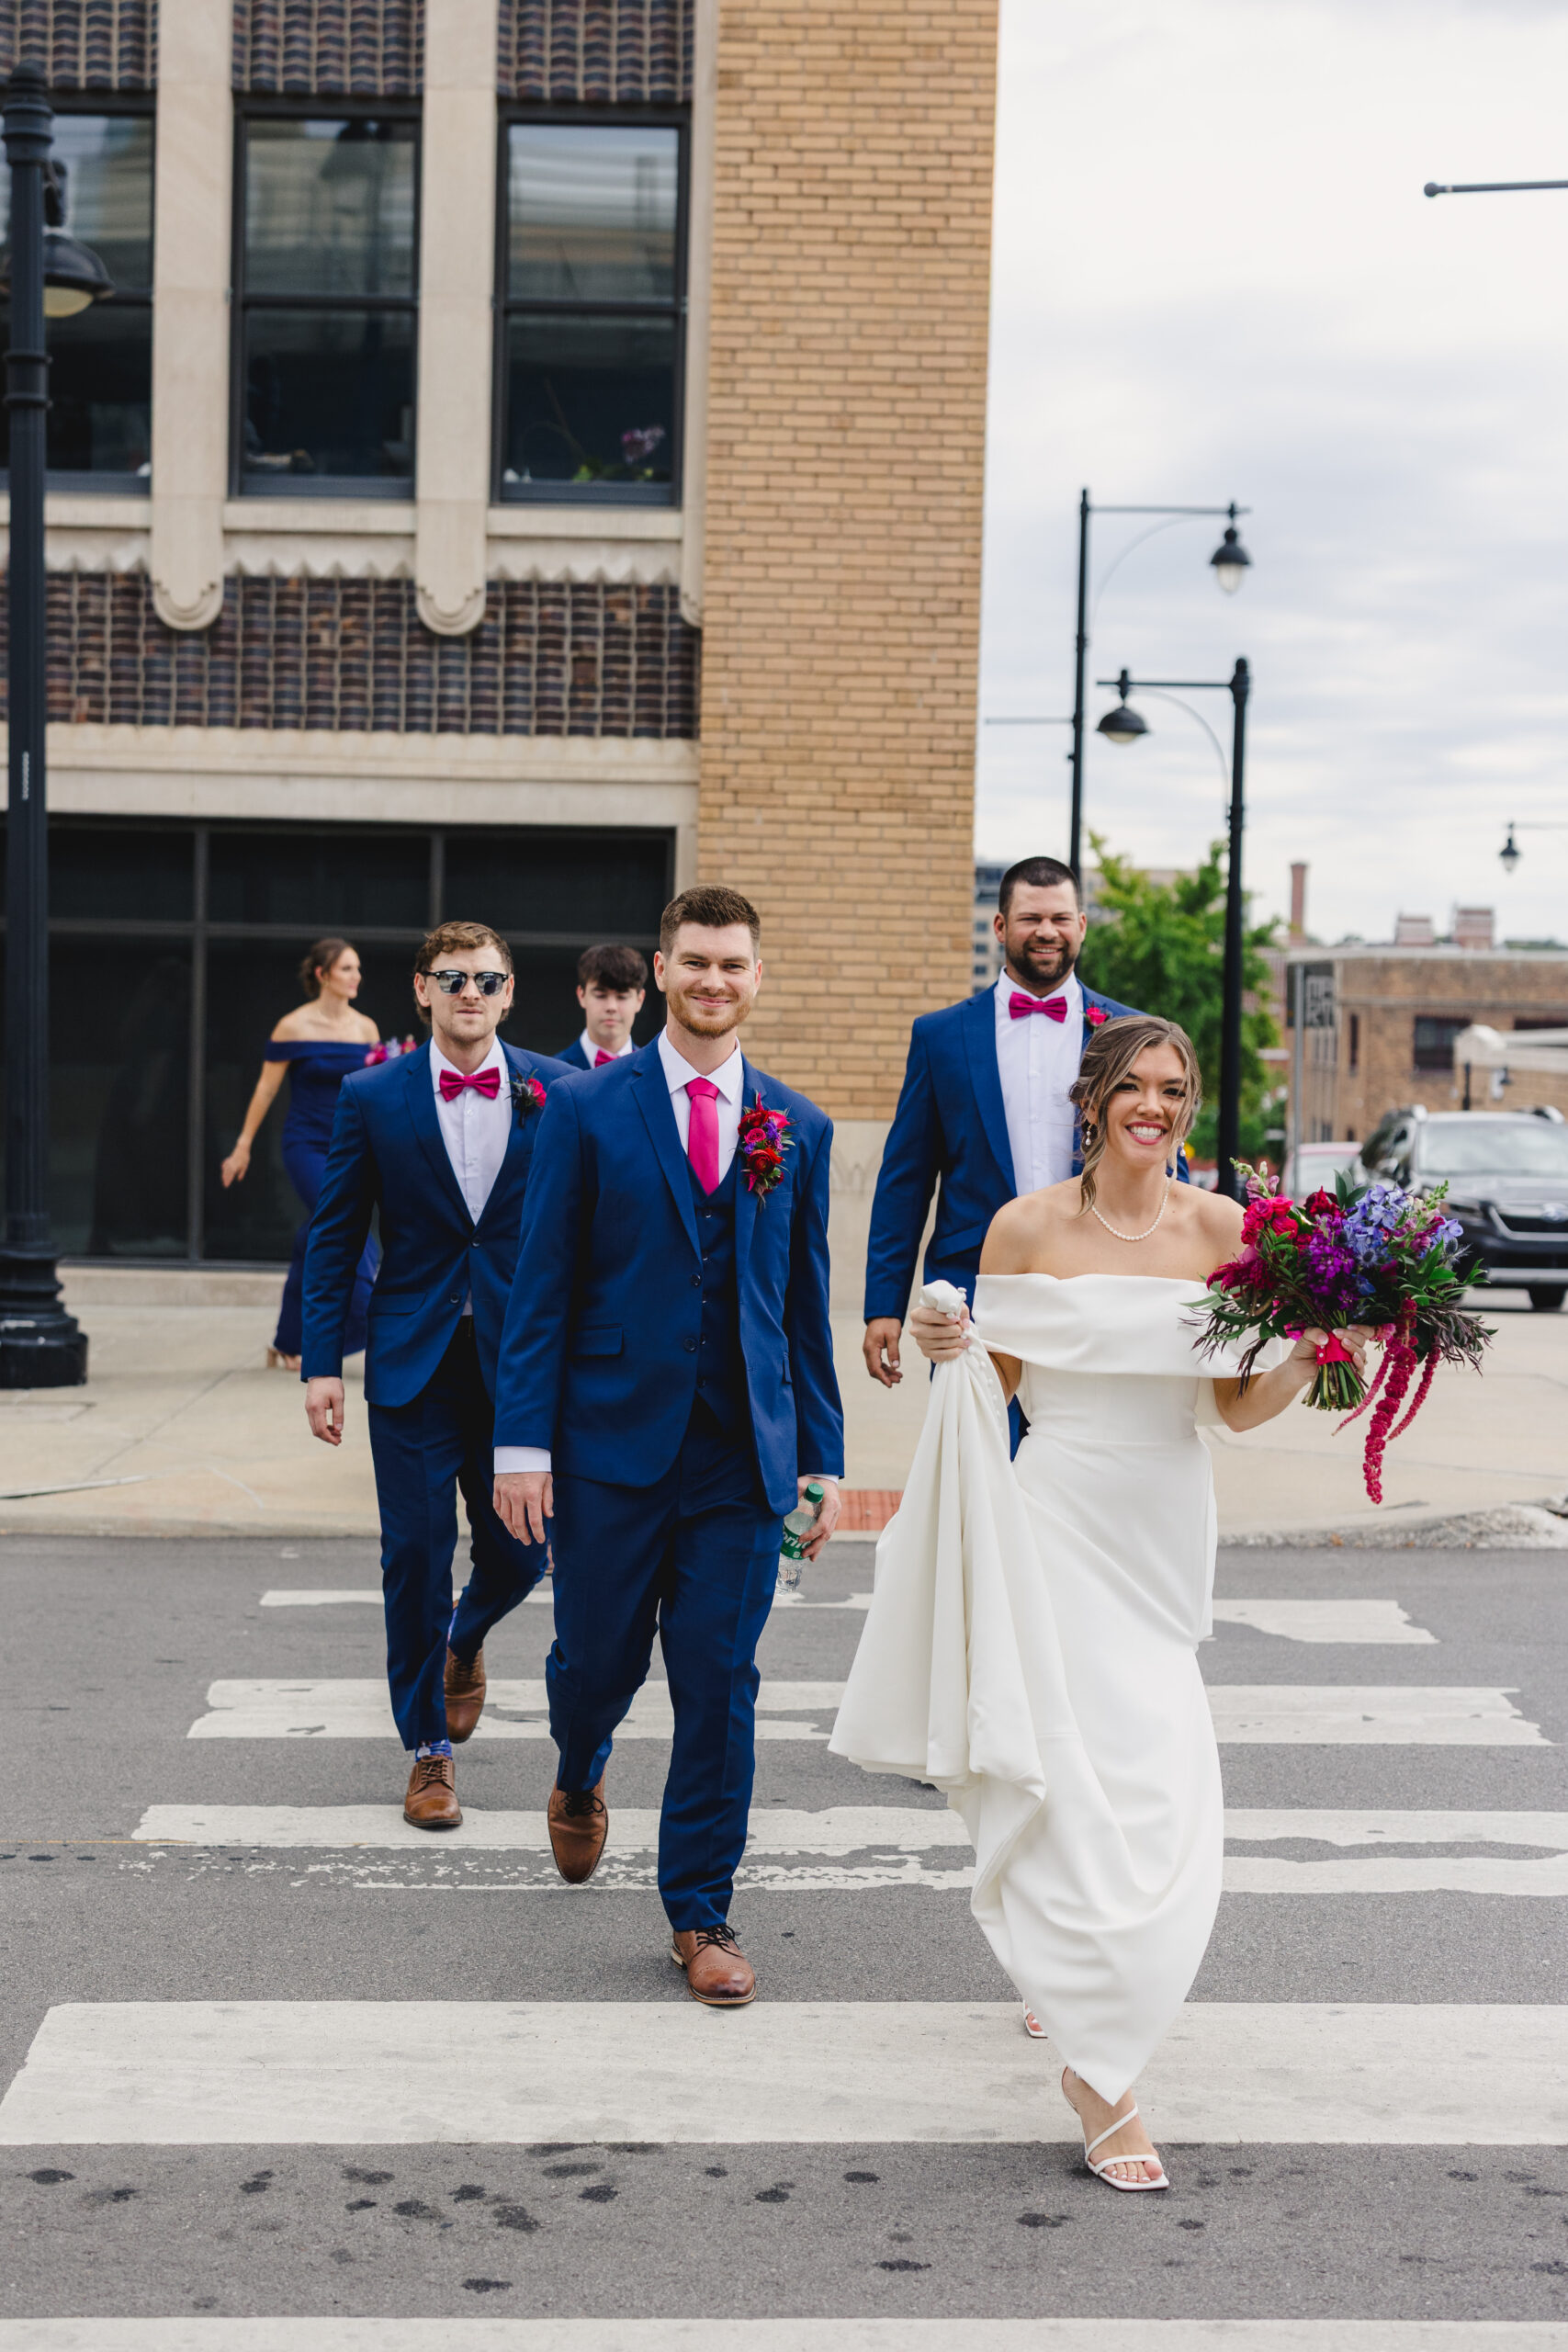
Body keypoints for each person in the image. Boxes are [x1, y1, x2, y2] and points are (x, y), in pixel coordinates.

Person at [832, 1017, 1371, 2192]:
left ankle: (1094, 1998)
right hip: (1056, 1517)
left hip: (1162, 1527)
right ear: (1094, 1096)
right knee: (1067, 1777)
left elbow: (1229, 1410)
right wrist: (945, 1335)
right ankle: (1099, 2072)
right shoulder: (1025, 1226)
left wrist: (1315, 1354)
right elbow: (995, 1378)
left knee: (1163, 1785)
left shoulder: (1226, 1229)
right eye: (1134, 1085)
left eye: (1175, 1089)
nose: (1156, 1107)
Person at [492, 884, 844, 2008]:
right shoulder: (588, 1109)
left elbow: (802, 1306)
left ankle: (700, 1909)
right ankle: (581, 1761)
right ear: (660, 969)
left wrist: (820, 1455)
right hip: (604, 1447)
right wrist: (519, 1446)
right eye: (694, 962)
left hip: (740, 1457)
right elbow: (540, 1287)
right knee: (597, 1661)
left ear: (756, 977)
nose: (713, 982)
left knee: (719, 1680)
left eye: (733, 965)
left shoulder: (797, 1126)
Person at [301, 922, 571, 1832]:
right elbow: (335, 1232)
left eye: (486, 978)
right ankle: (429, 1751)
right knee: (413, 1555)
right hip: (412, 1362)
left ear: (508, 991)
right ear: (420, 990)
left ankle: (467, 1635)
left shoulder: (560, 1090)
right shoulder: (371, 1094)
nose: (469, 992)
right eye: (451, 977)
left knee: (522, 1550)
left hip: (522, 1365)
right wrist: (321, 1363)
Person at [863, 854, 1187, 1449]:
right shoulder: (939, 1037)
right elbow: (904, 1180)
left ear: (1081, 927)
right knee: (980, 1473)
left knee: (1089, 1462)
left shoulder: (1130, 1032)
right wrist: (881, 1305)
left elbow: (1167, 1167)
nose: (1046, 931)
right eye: (1030, 918)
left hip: (1099, 1287)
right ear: (998, 926)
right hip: (974, 1294)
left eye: (1060, 918)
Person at [220, 937, 381, 1371]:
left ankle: (290, 1341)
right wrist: (242, 1146)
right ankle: (374, 1324)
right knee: (347, 1223)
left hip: (353, 1146)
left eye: (358, 968)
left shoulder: (366, 1029)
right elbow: (266, 1089)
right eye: (347, 968)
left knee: (311, 1239)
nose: (356, 977)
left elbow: (374, 1093)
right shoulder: (292, 1026)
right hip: (306, 1145)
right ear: (322, 975)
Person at [556, 943, 648, 1069]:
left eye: (622, 997)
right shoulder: (553, 1072)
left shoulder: (656, 1071)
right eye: (600, 995)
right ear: (581, 995)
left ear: (640, 1000)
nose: (611, 1007)